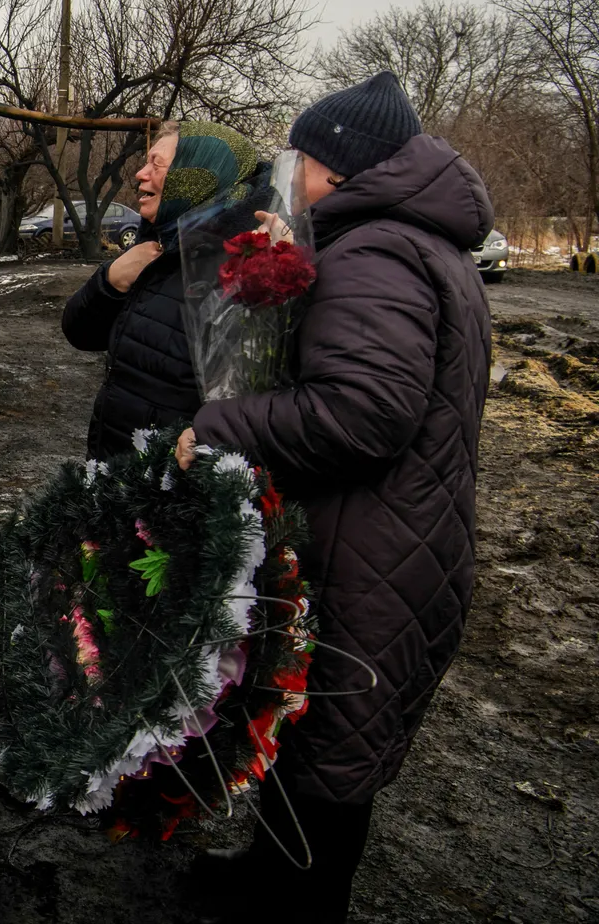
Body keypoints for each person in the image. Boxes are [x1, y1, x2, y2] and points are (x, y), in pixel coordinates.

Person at [176, 72, 493, 923]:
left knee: (331, 755)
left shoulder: (378, 251)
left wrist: (221, 423)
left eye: (301, 157)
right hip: (392, 537)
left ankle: (293, 904)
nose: (291, 171)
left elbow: (363, 414)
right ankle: (265, 879)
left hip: (373, 554)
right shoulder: (417, 243)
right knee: (311, 731)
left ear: (336, 167)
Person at [61, 121, 259, 460]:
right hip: (123, 473)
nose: (140, 173)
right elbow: (79, 333)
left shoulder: (243, 269)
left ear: (198, 174)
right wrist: (109, 282)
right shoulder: (156, 243)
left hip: (175, 485)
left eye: (157, 163)